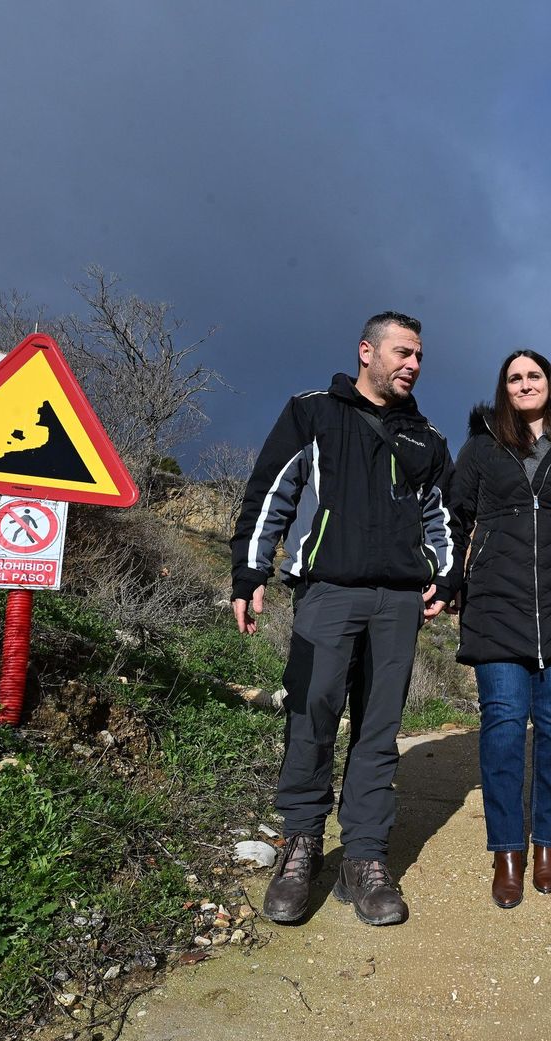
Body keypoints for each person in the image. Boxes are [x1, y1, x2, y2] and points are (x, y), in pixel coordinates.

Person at [231, 311, 457, 926]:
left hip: (398, 602)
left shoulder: (426, 438)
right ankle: (300, 845)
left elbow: (442, 517)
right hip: (327, 593)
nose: (412, 364)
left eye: (419, 356)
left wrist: (445, 572)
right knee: (312, 716)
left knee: (379, 730)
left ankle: (364, 857)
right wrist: (249, 574)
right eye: (402, 353)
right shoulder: (313, 412)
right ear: (366, 351)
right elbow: (272, 493)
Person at [440, 349, 551, 908]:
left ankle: (548, 843)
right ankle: (507, 851)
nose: (524, 384)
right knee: (500, 726)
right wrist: (448, 581)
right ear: (504, 388)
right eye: (514, 378)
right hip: (495, 605)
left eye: (533, 376)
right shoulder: (480, 446)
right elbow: (453, 516)